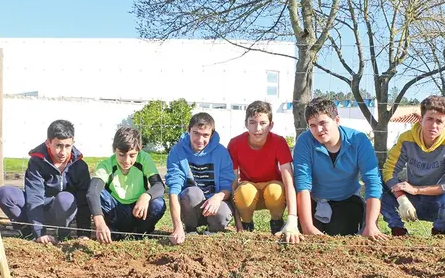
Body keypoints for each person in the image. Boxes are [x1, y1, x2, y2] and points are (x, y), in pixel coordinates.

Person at [292, 98, 384, 238]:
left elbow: (373, 182)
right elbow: (302, 183)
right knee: (311, 236)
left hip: (346, 198)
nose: (318, 130)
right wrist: (307, 227)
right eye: (313, 125)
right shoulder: (304, 141)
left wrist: (371, 225)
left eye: (323, 123)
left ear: (337, 120)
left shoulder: (358, 140)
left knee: (340, 232)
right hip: (314, 199)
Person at [381, 95, 445, 236]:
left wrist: (417, 190)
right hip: (411, 198)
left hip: (438, 200)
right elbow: (389, 170)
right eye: (429, 119)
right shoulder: (406, 139)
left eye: (439, 121)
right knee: (378, 183)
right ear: (421, 120)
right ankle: (398, 229)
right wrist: (401, 198)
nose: (433, 125)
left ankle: (438, 231)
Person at [0, 120, 91, 244]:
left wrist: (84, 234)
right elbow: (34, 197)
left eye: (67, 146)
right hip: (39, 208)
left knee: (65, 199)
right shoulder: (37, 162)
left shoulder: (80, 166)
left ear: (73, 143)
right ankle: (28, 232)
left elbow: (83, 201)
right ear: (48, 143)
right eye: (58, 145)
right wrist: (39, 232)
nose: (63, 152)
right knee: (4, 193)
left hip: (62, 210)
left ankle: (63, 235)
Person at [227, 100, 301, 243]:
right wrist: (237, 221)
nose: (257, 128)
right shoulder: (235, 143)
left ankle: (277, 223)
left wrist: (293, 219)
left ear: (271, 125)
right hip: (249, 188)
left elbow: (288, 180)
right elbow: (233, 181)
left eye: (263, 123)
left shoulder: (279, 142)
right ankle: (247, 225)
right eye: (253, 122)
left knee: (276, 190)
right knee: (244, 192)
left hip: (272, 190)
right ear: (246, 123)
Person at [166, 112, 235, 245]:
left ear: (212, 134)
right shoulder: (177, 151)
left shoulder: (221, 152)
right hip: (191, 206)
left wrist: (217, 197)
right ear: (189, 131)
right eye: (196, 133)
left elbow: (227, 187)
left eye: (205, 135)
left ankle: (213, 230)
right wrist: (177, 226)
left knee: (223, 212)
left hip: (213, 205)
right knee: (192, 193)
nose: (200, 139)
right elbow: (174, 190)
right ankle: (190, 229)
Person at [87, 127, 167, 242]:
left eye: (132, 155)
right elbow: (92, 192)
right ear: (114, 150)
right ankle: (113, 232)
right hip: (115, 211)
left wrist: (146, 196)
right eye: (121, 154)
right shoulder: (106, 164)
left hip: (138, 211)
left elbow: (159, 185)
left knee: (158, 203)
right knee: (96, 192)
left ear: (139, 150)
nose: (127, 160)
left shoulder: (144, 158)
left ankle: (140, 233)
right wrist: (98, 222)